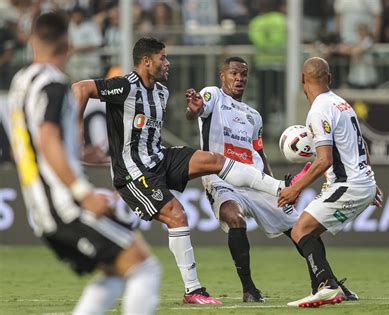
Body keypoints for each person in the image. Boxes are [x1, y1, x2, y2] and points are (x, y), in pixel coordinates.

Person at [72, 37, 301, 305]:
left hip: (159, 158)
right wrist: (77, 132)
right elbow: (80, 88)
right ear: (147, 61)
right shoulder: (124, 86)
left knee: (213, 159)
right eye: (163, 58)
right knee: (177, 215)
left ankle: (279, 188)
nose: (167, 63)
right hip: (134, 173)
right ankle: (193, 290)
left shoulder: (161, 92)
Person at [8, 12, 160, 314]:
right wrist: (82, 192)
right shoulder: (53, 85)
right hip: (65, 205)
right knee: (144, 268)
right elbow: (48, 138)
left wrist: (76, 157)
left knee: (116, 273)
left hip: (42, 205)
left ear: (34, 42)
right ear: (68, 43)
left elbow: (27, 147)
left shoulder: (20, 82)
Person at [185, 56, 360, 303]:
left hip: (256, 181)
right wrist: (194, 110)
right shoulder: (213, 95)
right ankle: (249, 289)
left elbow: (259, 152)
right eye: (233, 74)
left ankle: (327, 281)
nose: (239, 78)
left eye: (243, 74)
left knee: (302, 228)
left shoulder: (253, 115)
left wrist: (273, 184)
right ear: (222, 76)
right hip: (222, 179)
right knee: (235, 219)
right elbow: (198, 109)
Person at [278, 57, 382, 307]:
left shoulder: (319, 110)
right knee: (309, 231)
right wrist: (369, 180)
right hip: (360, 182)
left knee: (299, 230)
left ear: (302, 79)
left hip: (348, 186)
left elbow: (323, 159)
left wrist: (295, 188)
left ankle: (327, 285)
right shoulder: (342, 104)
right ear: (330, 79)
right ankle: (329, 286)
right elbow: (362, 147)